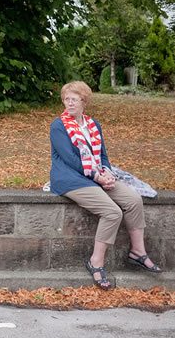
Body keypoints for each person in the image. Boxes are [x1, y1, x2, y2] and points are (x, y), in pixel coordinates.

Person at [49, 81, 162, 290]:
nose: (69, 103)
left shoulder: (94, 125)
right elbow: (70, 159)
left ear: (84, 101)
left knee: (133, 200)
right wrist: (97, 177)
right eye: (66, 99)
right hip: (71, 178)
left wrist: (107, 173)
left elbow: (102, 156)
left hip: (96, 175)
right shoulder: (58, 126)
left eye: (74, 99)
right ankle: (96, 262)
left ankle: (138, 251)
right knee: (112, 212)